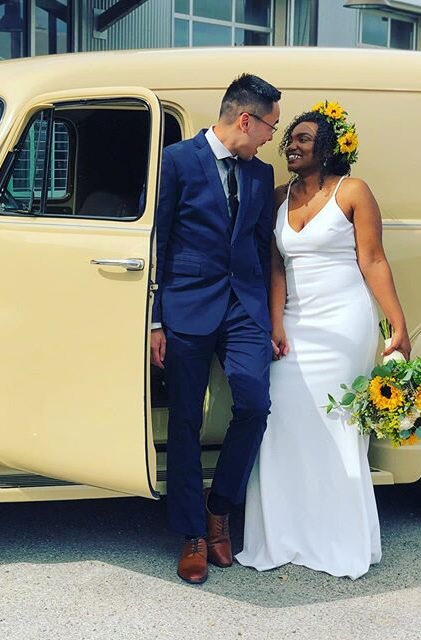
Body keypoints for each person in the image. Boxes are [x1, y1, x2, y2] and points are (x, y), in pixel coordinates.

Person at [236, 102, 411, 579]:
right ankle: (286, 537)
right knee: (284, 427)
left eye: (304, 139)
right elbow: (276, 268)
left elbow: (373, 260)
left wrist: (397, 324)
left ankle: (339, 539)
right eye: (289, 138)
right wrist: (276, 324)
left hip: (343, 323)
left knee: (336, 424)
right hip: (295, 322)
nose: (291, 145)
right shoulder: (277, 197)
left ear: (328, 148)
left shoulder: (353, 192)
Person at [151, 74, 281, 584]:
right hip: (185, 308)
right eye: (270, 124)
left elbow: (258, 247)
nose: (273, 136)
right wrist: (156, 319)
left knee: (254, 404)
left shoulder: (259, 173)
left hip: (243, 309)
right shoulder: (177, 161)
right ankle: (193, 535)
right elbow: (158, 237)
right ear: (245, 119)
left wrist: (271, 316)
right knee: (185, 418)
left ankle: (219, 508)